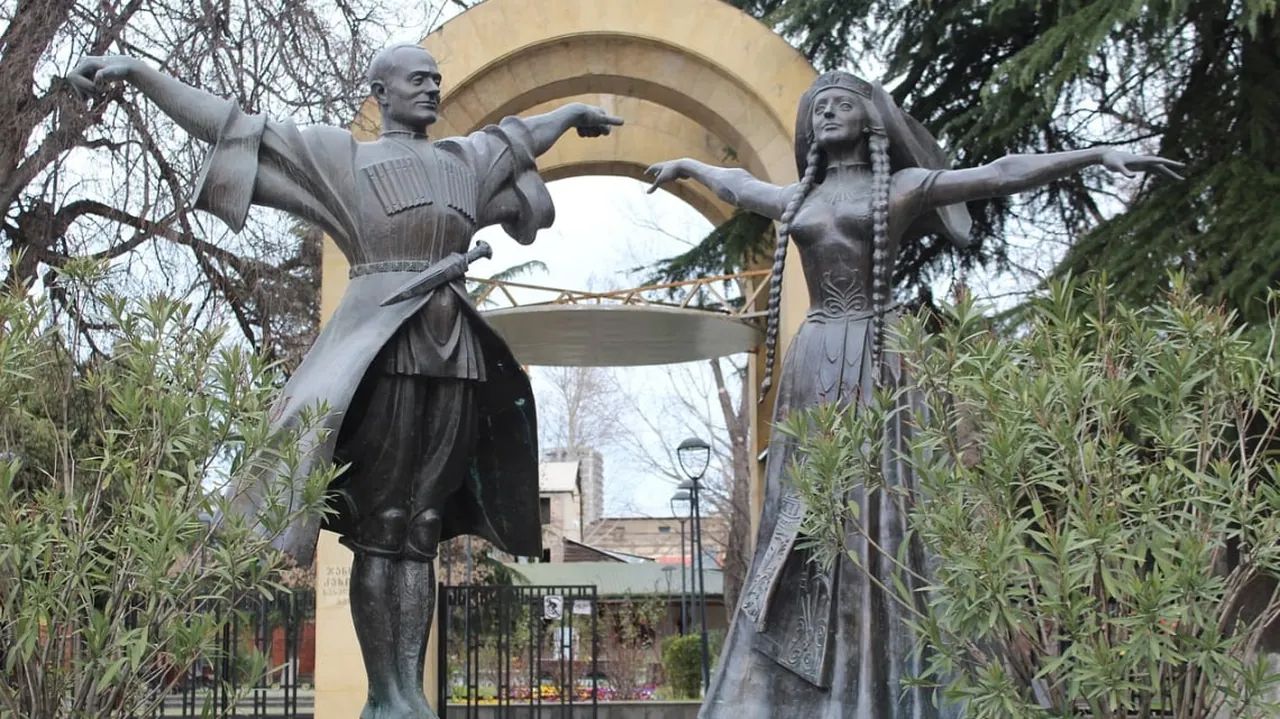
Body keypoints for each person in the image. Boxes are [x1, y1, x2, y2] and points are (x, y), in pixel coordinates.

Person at [68, 44, 622, 719]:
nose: (432, 88)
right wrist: (141, 74)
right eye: (417, 80)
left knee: (421, 529)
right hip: (379, 353)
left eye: (436, 79)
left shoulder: (464, 161)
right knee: (382, 524)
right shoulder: (344, 160)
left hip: (456, 356)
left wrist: (571, 113)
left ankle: (408, 694)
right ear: (381, 93)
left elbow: (518, 137)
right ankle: (384, 694)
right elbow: (234, 124)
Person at [647, 70, 1181, 719]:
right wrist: (687, 165)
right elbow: (735, 183)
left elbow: (998, 174)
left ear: (870, 120)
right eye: (818, 107)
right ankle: (804, 680)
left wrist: (1093, 155)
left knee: (885, 510)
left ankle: (893, 677)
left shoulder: (899, 188)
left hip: (877, 356)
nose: (826, 114)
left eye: (841, 104)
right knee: (809, 512)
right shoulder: (796, 197)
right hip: (814, 362)